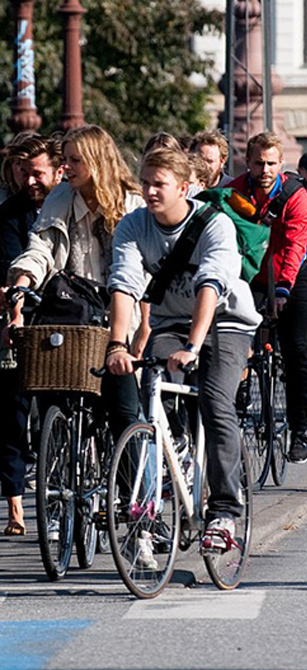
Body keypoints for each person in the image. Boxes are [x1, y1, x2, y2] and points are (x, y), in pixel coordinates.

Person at [107, 147, 261, 552]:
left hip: (226, 322)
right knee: (151, 391)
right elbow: (124, 283)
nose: (149, 191)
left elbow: (211, 283)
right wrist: (117, 344)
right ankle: (176, 460)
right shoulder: (133, 225)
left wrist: (194, 345)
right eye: (145, 183)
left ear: (183, 188)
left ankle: (224, 511)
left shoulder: (215, 224)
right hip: (172, 322)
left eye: (159, 184)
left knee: (214, 399)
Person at [6, 124, 147, 440]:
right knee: (53, 395)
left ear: (96, 161)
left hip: (117, 315)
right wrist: (22, 281)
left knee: (123, 412)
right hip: (70, 314)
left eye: (74, 160)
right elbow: (41, 246)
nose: (66, 167)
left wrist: (138, 330)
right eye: (65, 159)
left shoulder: (132, 205)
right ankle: (56, 460)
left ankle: (129, 473)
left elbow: (137, 271)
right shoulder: (61, 197)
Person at [227, 132, 307, 463]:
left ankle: (300, 430)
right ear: (248, 163)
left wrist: (283, 291)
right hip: (250, 276)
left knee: (295, 351)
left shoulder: (295, 196)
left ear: (281, 164)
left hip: (289, 275)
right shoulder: (235, 191)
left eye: (271, 164)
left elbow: (295, 246)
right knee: (234, 341)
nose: (265, 170)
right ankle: (238, 400)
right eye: (259, 163)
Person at [0, 135, 64, 536]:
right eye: (24, 173)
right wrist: (13, 311)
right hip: (18, 321)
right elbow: (8, 267)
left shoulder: (71, 206)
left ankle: (58, 495)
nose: (30, 181)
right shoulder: (10, 214)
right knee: (12, 414)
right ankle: (15, 505)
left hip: (67, 323)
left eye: (37, 173)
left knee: (57, 413)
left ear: (58, 172)